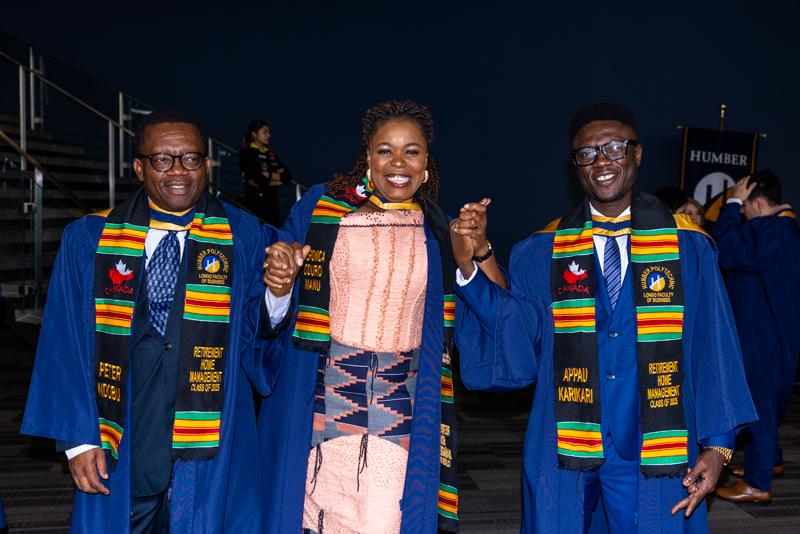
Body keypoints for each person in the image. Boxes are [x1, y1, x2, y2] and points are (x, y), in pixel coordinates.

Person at [452, 102, 757, 533]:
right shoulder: (542, 250)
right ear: (574, 163)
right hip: (565, 441)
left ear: (637, 153)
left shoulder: (688, 246)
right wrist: (472, 265)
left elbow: (715, 346)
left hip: (658, 440)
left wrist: (720, 448)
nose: (602, 162)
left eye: (615, 148)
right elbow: (519, 334)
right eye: (587, 153)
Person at [21, 108, 279, 533]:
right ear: (139, 166)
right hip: (123, 442)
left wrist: (279, 293)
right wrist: (78, 441)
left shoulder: (244, 236)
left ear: (207, 165)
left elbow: (258, 333)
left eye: (190, 158)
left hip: (209, 444)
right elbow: (64, 343)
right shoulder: (90, 239)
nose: (178, 170)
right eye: (162, 159)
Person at [256, 100, 501, 534]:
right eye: (385, 150)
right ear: (367, 158)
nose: (398, 162)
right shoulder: (321, 211)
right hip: (320, 396)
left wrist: (477, 251)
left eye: (412, 150)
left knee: (384, 517)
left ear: (427, 164)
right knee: (317, 513)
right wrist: (280, 280)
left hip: (402, 403)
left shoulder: (440, 229)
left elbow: (498, 312)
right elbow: (278, 290)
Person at [711, 170, 800, 503]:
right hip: (781, 330)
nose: (742, 215)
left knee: (758, 402)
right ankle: (771, 462)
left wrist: (731, 203)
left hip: (762, 331)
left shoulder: (772, 228)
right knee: (771, 397)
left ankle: (757, 483)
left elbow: (726, 248)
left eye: (746, 208)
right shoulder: (789, 229)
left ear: (759, 203)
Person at [239, 119, 292, 226]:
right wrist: (277, 180)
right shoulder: (247, 153)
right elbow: (257, 178)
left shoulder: (271, 154)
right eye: (265, 132)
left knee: (273, 237)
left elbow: (287, 176)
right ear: (254, 134)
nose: (269, 135)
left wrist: (268, 175)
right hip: (254, 202)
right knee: (256, 236)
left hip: (272, 203)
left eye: (269, 132)